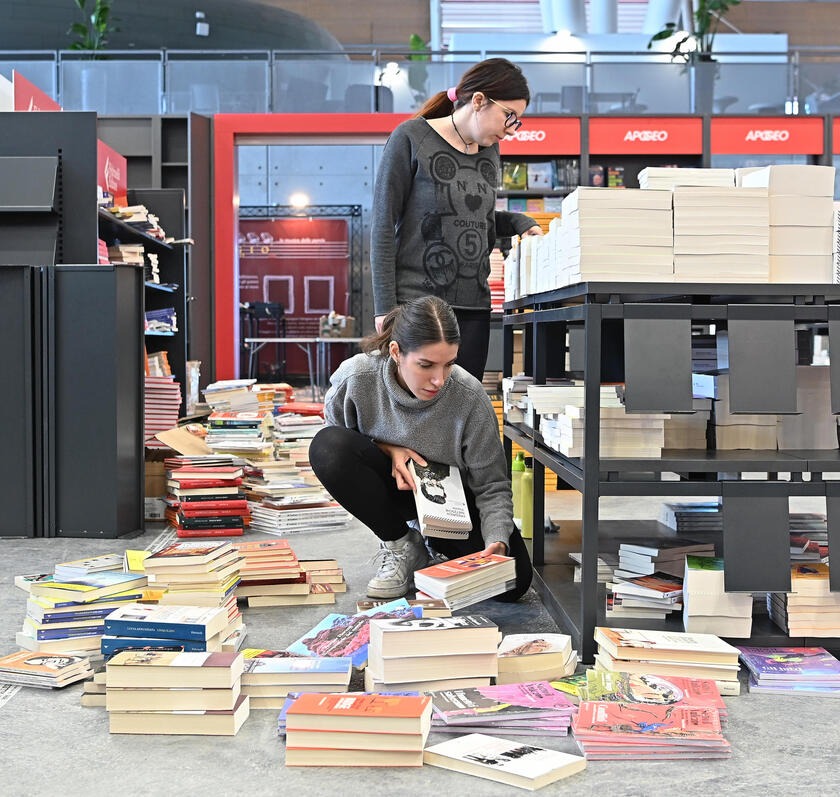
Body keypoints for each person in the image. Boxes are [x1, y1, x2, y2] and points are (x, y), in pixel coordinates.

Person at [309, 295, 533, 600]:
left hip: (453, 508)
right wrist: (388, 449)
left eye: (449, 364)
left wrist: (497, 541)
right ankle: (403, 544)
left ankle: (437, 548)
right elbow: (338, 443)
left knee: (514, 582)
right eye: (426, 365)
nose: (438, 380)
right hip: (395, 492)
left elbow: (491, 485)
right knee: (327, 448)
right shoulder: (357, 378)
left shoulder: (468, 396)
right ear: (396, 352)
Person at [371, 57, 543, 381]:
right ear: (479, 101)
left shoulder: (490, 151)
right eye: (510, 116)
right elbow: (382, 225)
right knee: (415, 414)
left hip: (475, 308)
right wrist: (384, 308)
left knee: (464, 412)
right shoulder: (411, 137)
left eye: (517, 120)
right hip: (418, 307)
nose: (511, 129)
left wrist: (519, 222)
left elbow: (475, 216)